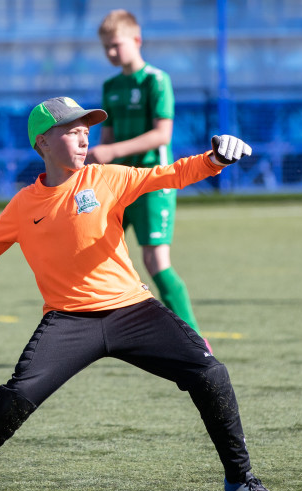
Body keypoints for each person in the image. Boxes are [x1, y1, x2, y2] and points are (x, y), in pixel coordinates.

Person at [0, 96, 284, 491]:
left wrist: (214, 159)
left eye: (85, 130)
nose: (82, 137)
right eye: (71, 131)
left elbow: (168, 175)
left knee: (211, 373)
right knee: (17, 395)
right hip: (68, 321)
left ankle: (240, 479)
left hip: (133, 311)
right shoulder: (22, 206)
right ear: (42, 142)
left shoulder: (106, 178)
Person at [88, 10, 205, 337]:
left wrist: (112, 152)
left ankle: (195, 340)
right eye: (106, 47)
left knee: (156, 262)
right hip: (119, 187)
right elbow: (106, 141)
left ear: (137, 40)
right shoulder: (110, 86)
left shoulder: (156, 80)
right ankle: (105, 336)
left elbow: (162, 135)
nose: (111, 53)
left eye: (116, 45)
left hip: (154, 183)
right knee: (95, 255)